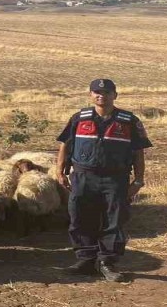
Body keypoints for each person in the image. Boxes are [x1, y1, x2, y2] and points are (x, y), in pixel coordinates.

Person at [53, 79, 151, 283]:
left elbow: (138, 152)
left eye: (106, 92)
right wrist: (60, 172)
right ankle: (86, 260)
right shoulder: (79, 118)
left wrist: (138, 181)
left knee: (114, 220)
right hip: (82, 176)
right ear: (90, 95)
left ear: (115, 95)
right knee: (80, 217)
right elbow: (65, 145)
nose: (101, 96)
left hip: (115, 178)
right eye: (97, 92)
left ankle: (108, 262)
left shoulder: (128, 120)